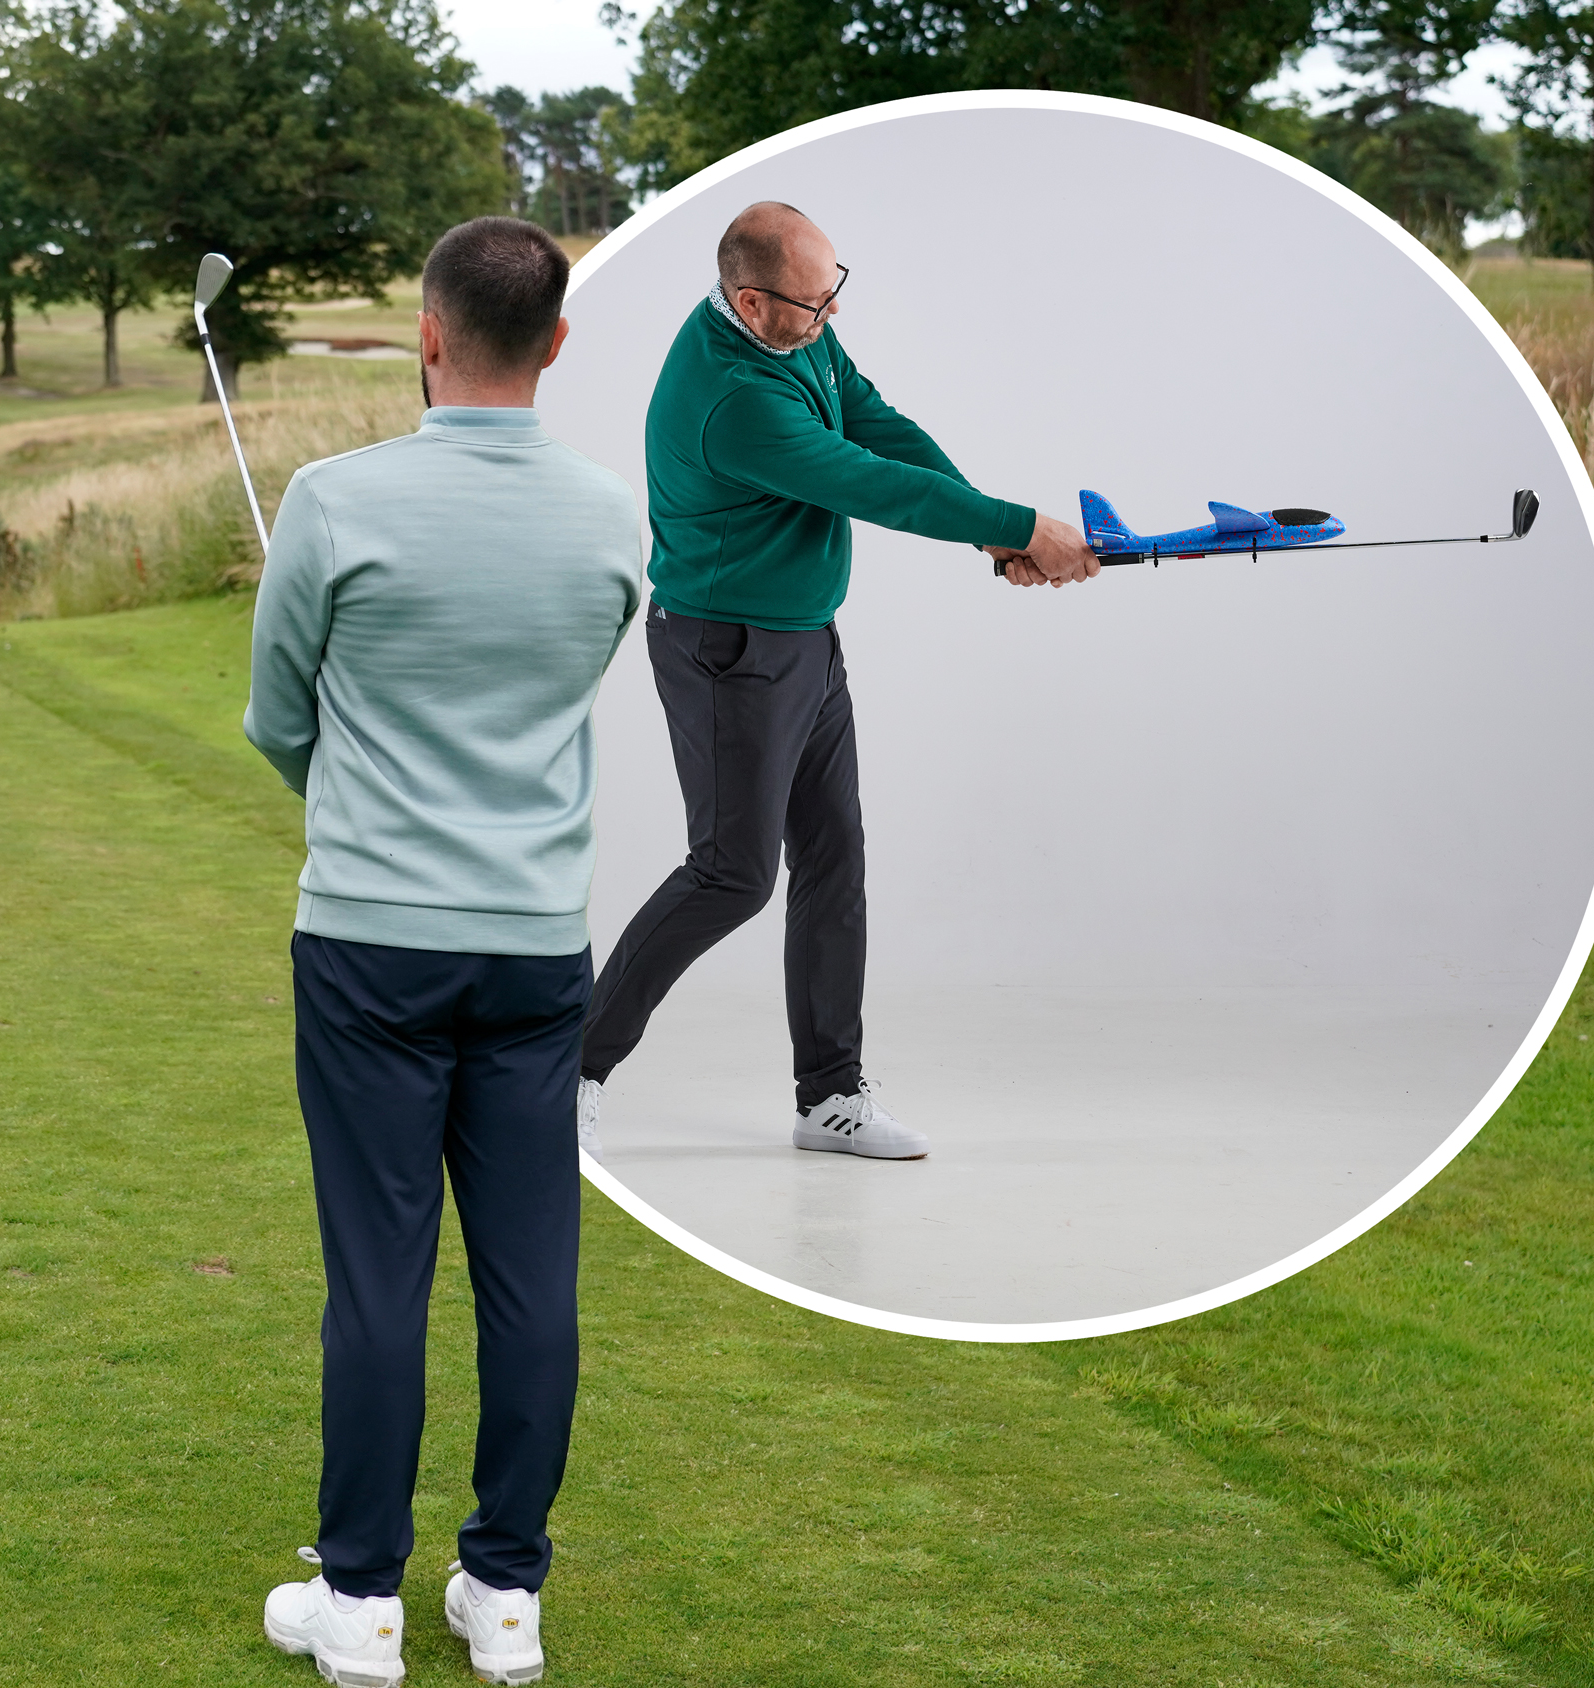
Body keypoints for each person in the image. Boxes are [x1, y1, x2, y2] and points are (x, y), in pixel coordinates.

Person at [243, 216, 644, 1688]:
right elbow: (564, 682)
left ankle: (360, 1607)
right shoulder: (611, 516)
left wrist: (361, 795)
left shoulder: (332, 502)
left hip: (368, 944)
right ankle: (506, 1595)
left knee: (379, 1278)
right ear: (554, 342)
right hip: (537, 949)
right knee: (533, 1276)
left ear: (427, 333)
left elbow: (278, 717)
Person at [572, 202, 1098, 1167]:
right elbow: (868, 483)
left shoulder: (798, 338)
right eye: (813, 306)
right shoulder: (736, 401)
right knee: (732, 876)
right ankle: (568, 1072)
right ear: (749, 302)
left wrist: (992, 528)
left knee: (834, 859)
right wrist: (1024, 526)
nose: (830, 320)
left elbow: (876, 424)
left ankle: (831, 1097)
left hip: (804, 637)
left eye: (834, 294)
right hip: (728, 650)